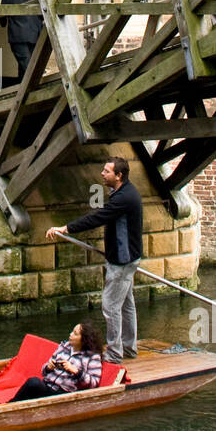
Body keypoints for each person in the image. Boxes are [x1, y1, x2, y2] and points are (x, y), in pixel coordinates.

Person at [46, 156, 143, 364]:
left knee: (110, 306)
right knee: (126, 304)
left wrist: (66, 228)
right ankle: (129, 347)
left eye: (107, 171)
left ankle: (115, 354)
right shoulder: (124, 192)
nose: (102, 173)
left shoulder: (123, 198)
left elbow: (97, 217)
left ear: (119, 176)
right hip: (128, 257)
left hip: (122, 261)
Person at [11, 321, 105, 401]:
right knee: (34, 383)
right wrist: (49, 367)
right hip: (47, 386)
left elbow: (94, 383)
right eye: (72, 331)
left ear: (84, 339)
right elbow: (43, 371)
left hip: (64, 393)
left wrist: (75, 371)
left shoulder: (92, 357)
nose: (70, 334)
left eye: (75, 334)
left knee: (34, 382)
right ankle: (12, 404)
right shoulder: (64, 346)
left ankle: (10, 406)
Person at [0, 0, 45, 82]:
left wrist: (3, 22)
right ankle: (22, 93)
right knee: (25, 64)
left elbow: (2, 14)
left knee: (26, 66)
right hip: (35, 34)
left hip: (17, 35)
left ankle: (34, 89)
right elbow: (42, 14)